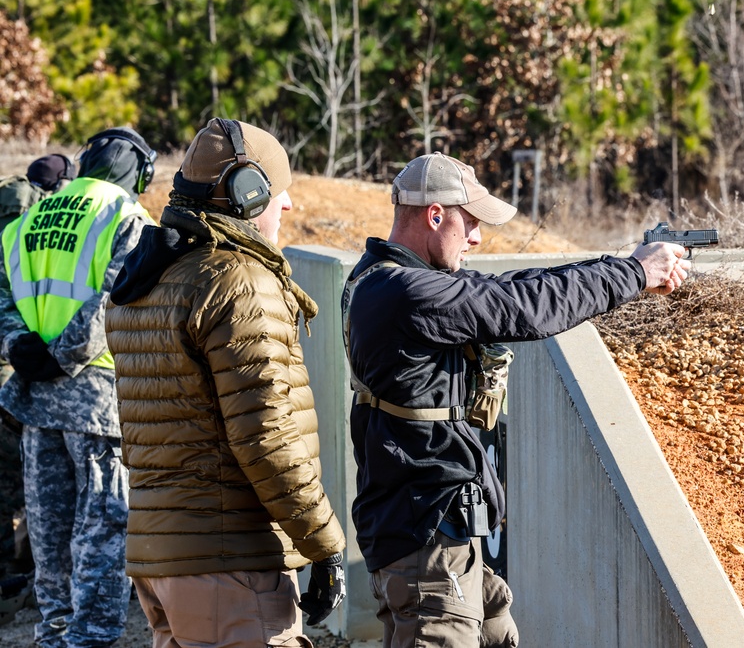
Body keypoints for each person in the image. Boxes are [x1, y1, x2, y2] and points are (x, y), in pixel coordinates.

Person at [342, 151, 690, 647]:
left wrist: (626, 265)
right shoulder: (405, 292)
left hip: (438, 536)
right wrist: (634, 274)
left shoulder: (387, 278)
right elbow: (522, 308)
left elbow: (515, 287)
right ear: (435, 215)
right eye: (471, 223)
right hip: (425, 542)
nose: (478, 238)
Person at [104, 118, 348, 647]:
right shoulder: (238, 283)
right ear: (247, 192)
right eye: (279, 192)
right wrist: (325, 543)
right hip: (229, 563)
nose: (287, 207)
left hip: (163, 561)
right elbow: (266, 436)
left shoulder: (150, 279)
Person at [0, 128, 157, 648]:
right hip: (96, 403)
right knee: (102, 535)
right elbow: (114, 297)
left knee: (49, 543)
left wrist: (19, 346)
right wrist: (63, 355)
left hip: (37, 401)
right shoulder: (127, 217)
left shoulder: (30, 217)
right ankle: (88, 641)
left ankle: (54, 637)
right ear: (138, 171)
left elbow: (6, 292)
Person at [0, 153, 76, 581]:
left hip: (10, 348)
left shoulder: (10, 206)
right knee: (25, 471)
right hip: (23, 362)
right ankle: (22, 569)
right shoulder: (37, 220)